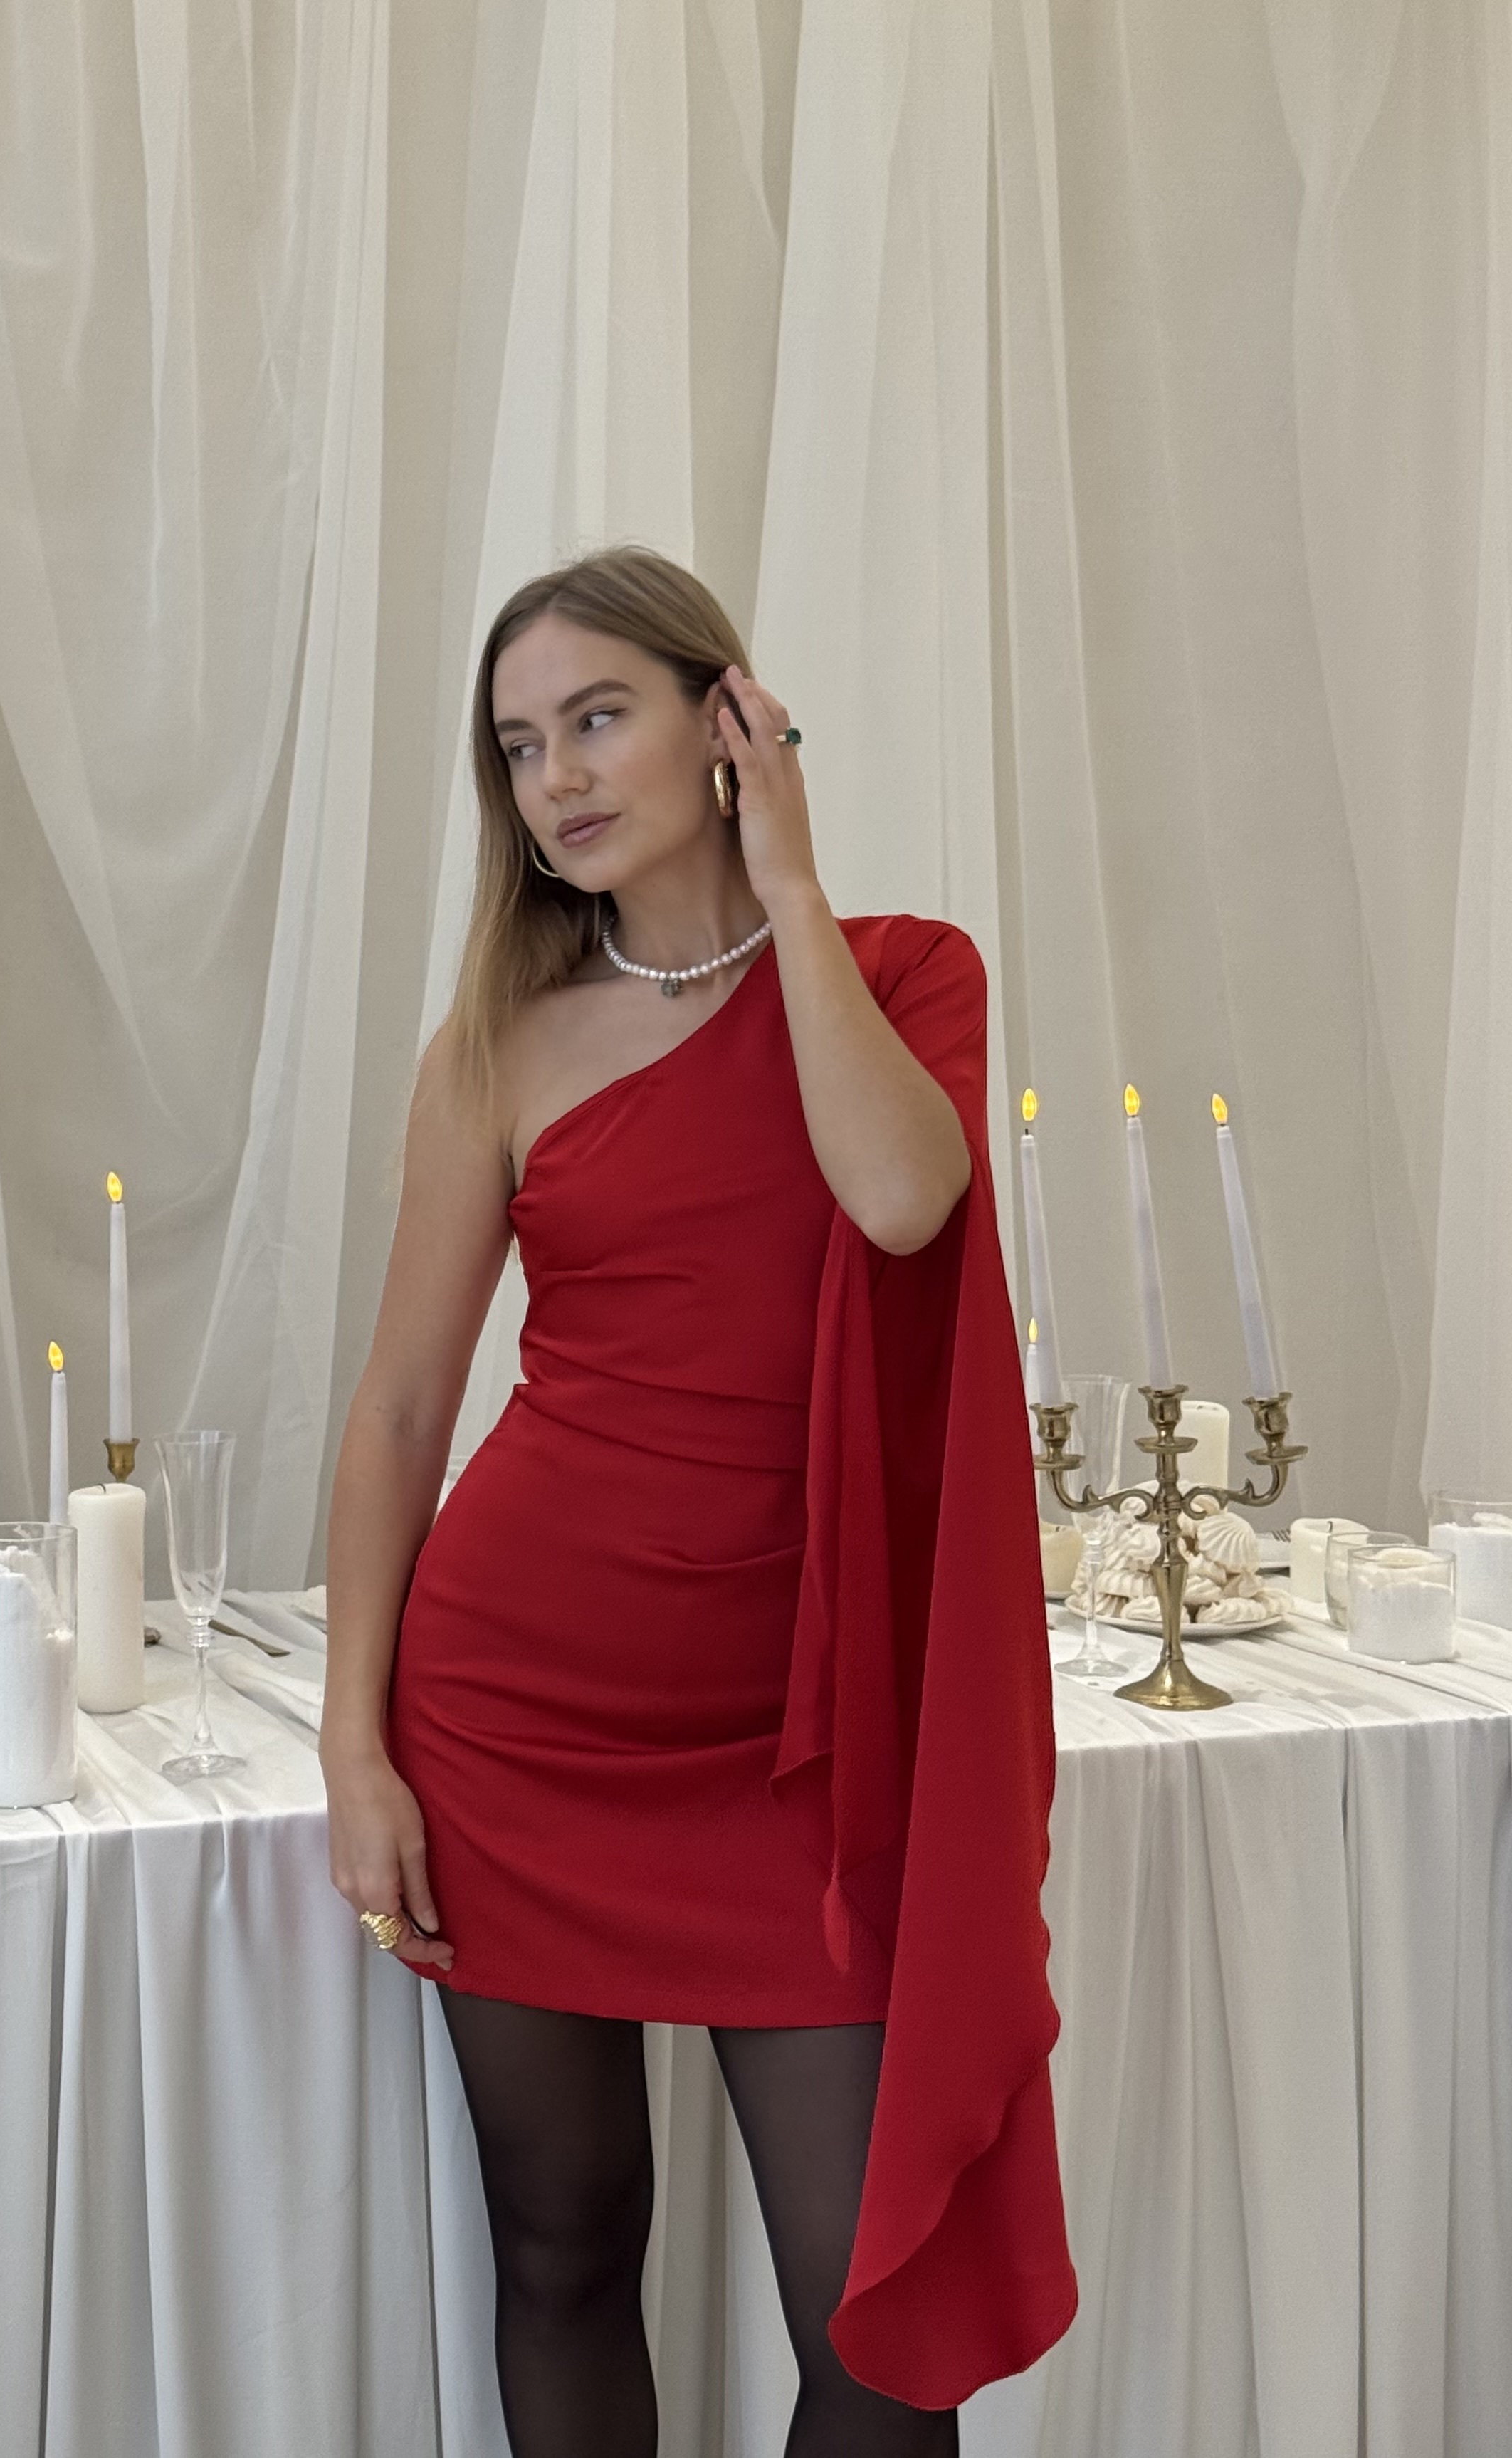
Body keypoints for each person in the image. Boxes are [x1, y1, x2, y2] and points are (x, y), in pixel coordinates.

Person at [319, 546, 1076, 2457]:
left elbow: (900, 1195)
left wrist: (789, 884)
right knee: (564, 2248)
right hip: (517, 1719)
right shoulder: (493, 1046)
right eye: (519, 746)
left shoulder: (902, 973)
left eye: (599, 717)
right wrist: (356, 1744)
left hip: (803, 1753)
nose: (558, 776)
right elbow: (400, 1411)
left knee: (877, 2346)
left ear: (727, 716)